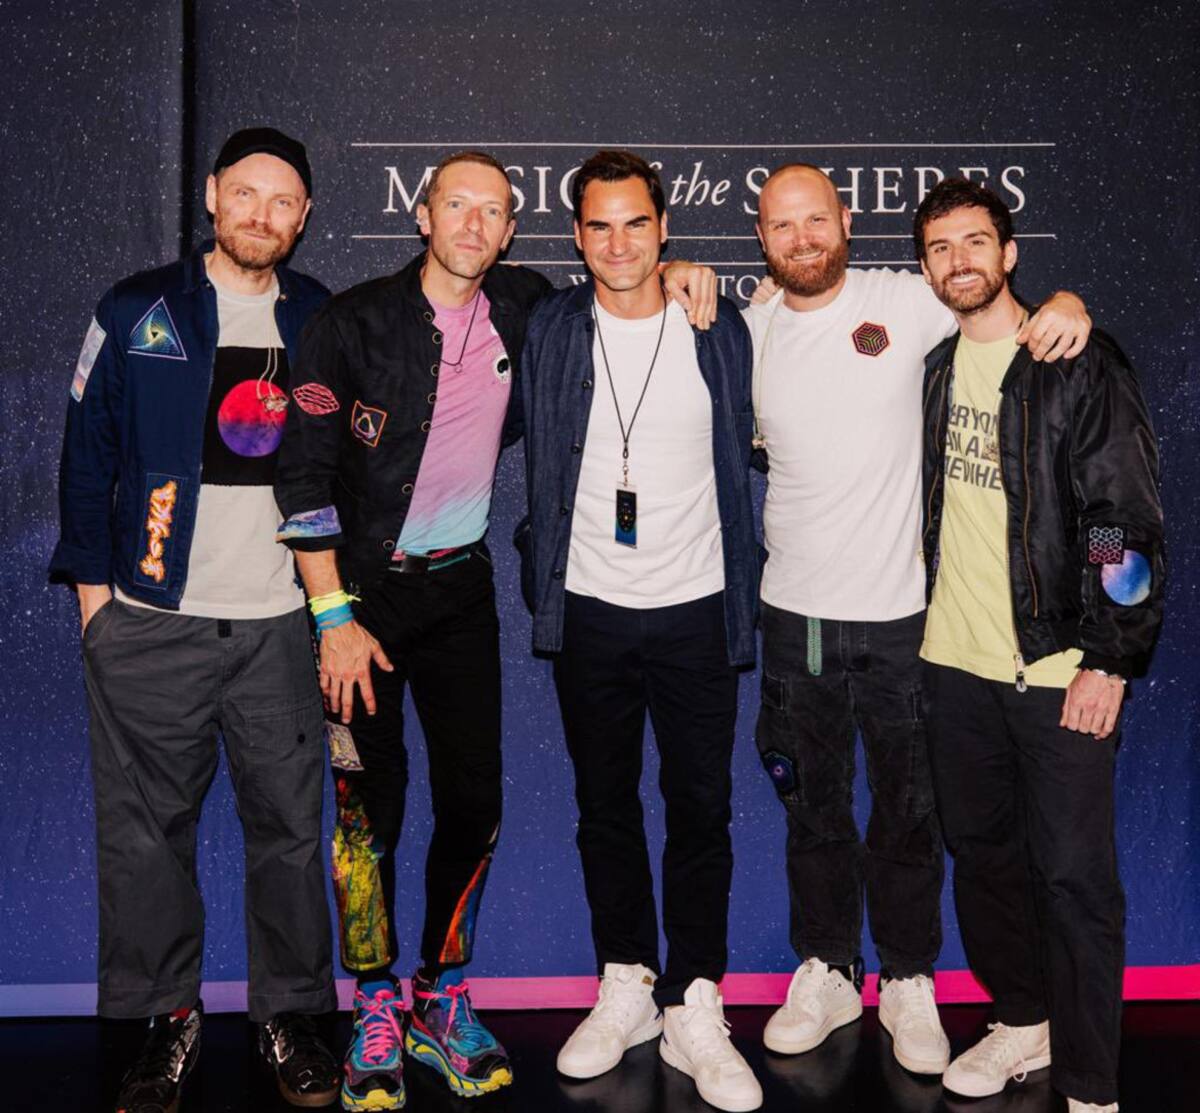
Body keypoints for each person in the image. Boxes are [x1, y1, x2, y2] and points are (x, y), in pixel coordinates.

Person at [274, 149, 715, 1111]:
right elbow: (301, 479)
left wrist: (684, 271)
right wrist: (332, 617)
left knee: (473, 805)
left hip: (460, 594)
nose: (473, 225)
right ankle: (375, 1000)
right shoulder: (349, 323)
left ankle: (440, 992)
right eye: (456, 206)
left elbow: (626, 288)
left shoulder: (528, 308)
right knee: (366, 813)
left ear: (512, 233)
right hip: (360, 605)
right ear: (423, 215)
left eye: (493, 212)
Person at [744, 164, 1092, 1076]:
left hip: (906, 618)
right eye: (782, 225)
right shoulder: (749, 326)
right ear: (762, 238)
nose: (802, 238)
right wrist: (673, 275)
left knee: (909, 813)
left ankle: (907, 975)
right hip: (795, 615)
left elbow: (995, 303)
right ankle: (827, 966)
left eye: (816, 219)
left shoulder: (908, 298)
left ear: (845, 221)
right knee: (813, 809)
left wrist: (1068, 302)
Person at [49, 127, 340, 1113]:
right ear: (213, 195)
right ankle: (162, 1024)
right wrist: (97, 606)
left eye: (283, 201)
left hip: (279, 628)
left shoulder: (321, 318)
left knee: (289, 835)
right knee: (146, 842)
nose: (262, 214)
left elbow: (348, 472)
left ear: (304, 217)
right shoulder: (137, 309)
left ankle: (290, 1018)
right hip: (150, 624)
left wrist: (330, 609)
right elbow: (86, 456)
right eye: (246, 193)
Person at [519, 150, 763, 1113]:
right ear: (575, 237)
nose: (619, 243)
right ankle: (626, 981)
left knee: (701, 808)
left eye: (636, 224)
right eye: (599, 225)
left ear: (665, 229)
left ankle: (694, 999)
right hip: (589, 610)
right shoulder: (547, 325)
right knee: (604, 807)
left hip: (699, 609)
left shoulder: (719, 326)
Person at [914, 177, 1162, 1113]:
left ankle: (1092, 1082)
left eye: (975, 242)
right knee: (981, 859)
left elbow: (1117, 520)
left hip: (1056, 668)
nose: (959, 261)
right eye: (940, 248)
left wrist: (1109, 656)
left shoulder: (1074, 360)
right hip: (953, 665)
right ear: (925, 268)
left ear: (1009, 253)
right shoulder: (936, 368)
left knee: (1074, 879)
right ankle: (1023, 1019)